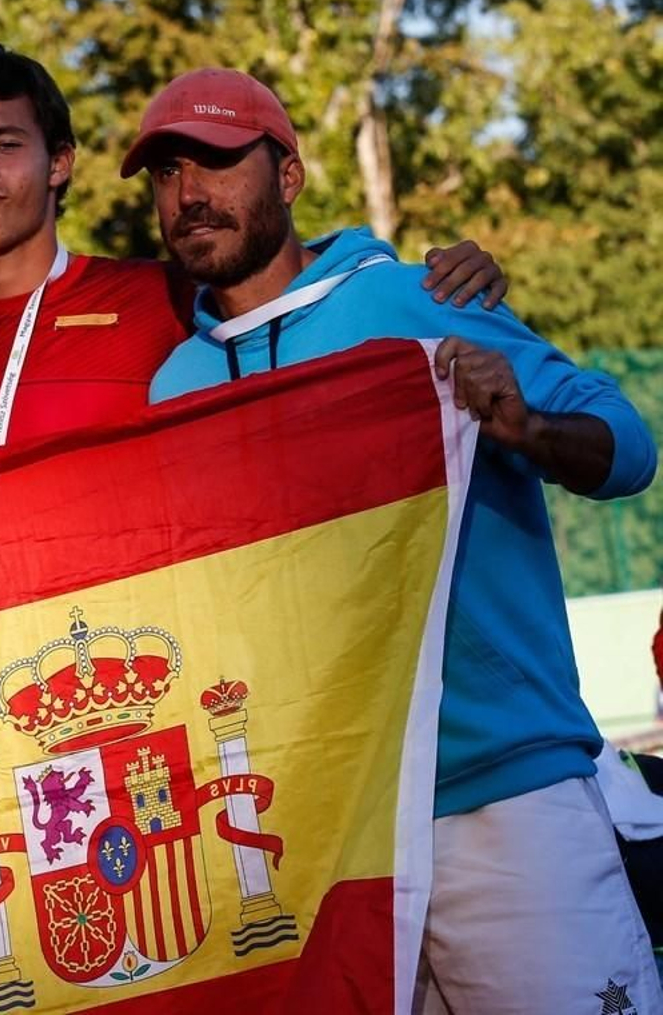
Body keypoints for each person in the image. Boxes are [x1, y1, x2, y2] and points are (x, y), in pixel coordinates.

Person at [133, 67, 660, 1013]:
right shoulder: (171, 389)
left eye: (216, 161)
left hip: (501, 799)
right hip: (319, 837)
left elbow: (626, 445)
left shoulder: (419, 298)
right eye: (166, 173)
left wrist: (527, 429)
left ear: (287, 177)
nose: (189, 193)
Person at [0, 44, 507, 458]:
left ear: (61, 162)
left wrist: (409, 275)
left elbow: (273, 279)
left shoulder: (162, 295)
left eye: (6, 144)